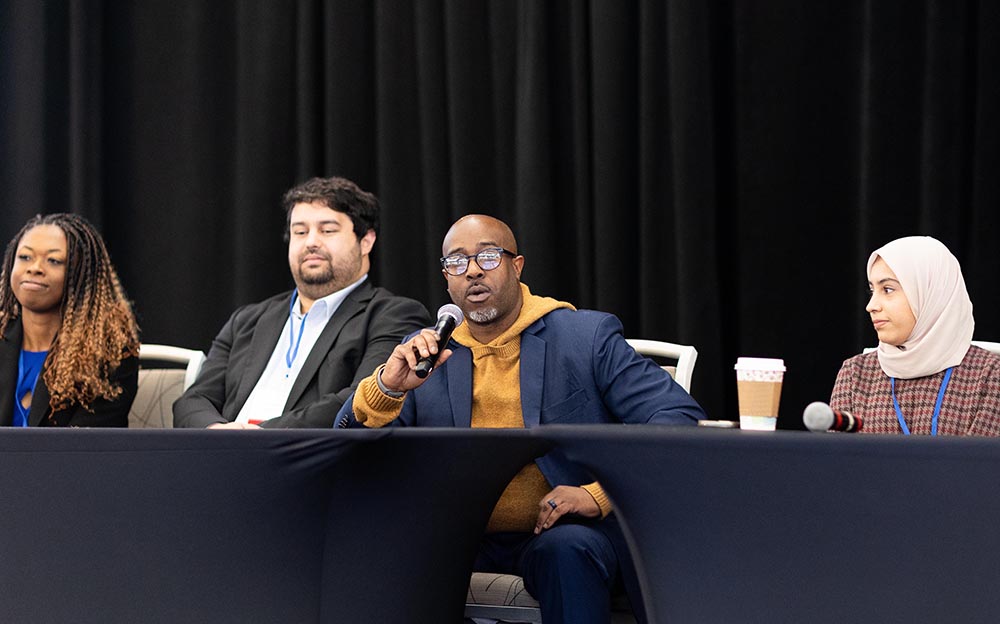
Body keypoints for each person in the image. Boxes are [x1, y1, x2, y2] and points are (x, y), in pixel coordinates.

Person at [336, 214, 706, 624]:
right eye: (457, 262)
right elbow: (351, 451)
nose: (472, 271)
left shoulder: (584, 337)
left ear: (517, 266)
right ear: (446, 279)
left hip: (567, 533)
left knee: (565, 551)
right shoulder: (427, 354)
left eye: (488, 257)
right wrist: (388, 387)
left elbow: (678, 418)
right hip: (462, 536)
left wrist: (599, 495)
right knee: (378, 544)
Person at [173, 176, 429, 429]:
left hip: (309, 452)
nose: (311, 242)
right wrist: (216, 431)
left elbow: (360, 402)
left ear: (366, 241)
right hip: (224, 447)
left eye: (327, 230)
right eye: (300, 232)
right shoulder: (247, 320)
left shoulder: (393, 315)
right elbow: (194, 400)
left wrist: (259, 436)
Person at [830, 235, 1000, 435]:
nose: (871, 306)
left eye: (888, 289)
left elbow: (982, 455)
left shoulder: (989, 375)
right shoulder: (855, 374)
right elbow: (837, 454)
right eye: (872, 290)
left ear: (931, 293)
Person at [0, 213, 139, 427]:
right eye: (25, 257)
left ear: (81, 275)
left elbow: (81, 444)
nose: (34, 268)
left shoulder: (109, 354)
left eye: (54, 261)